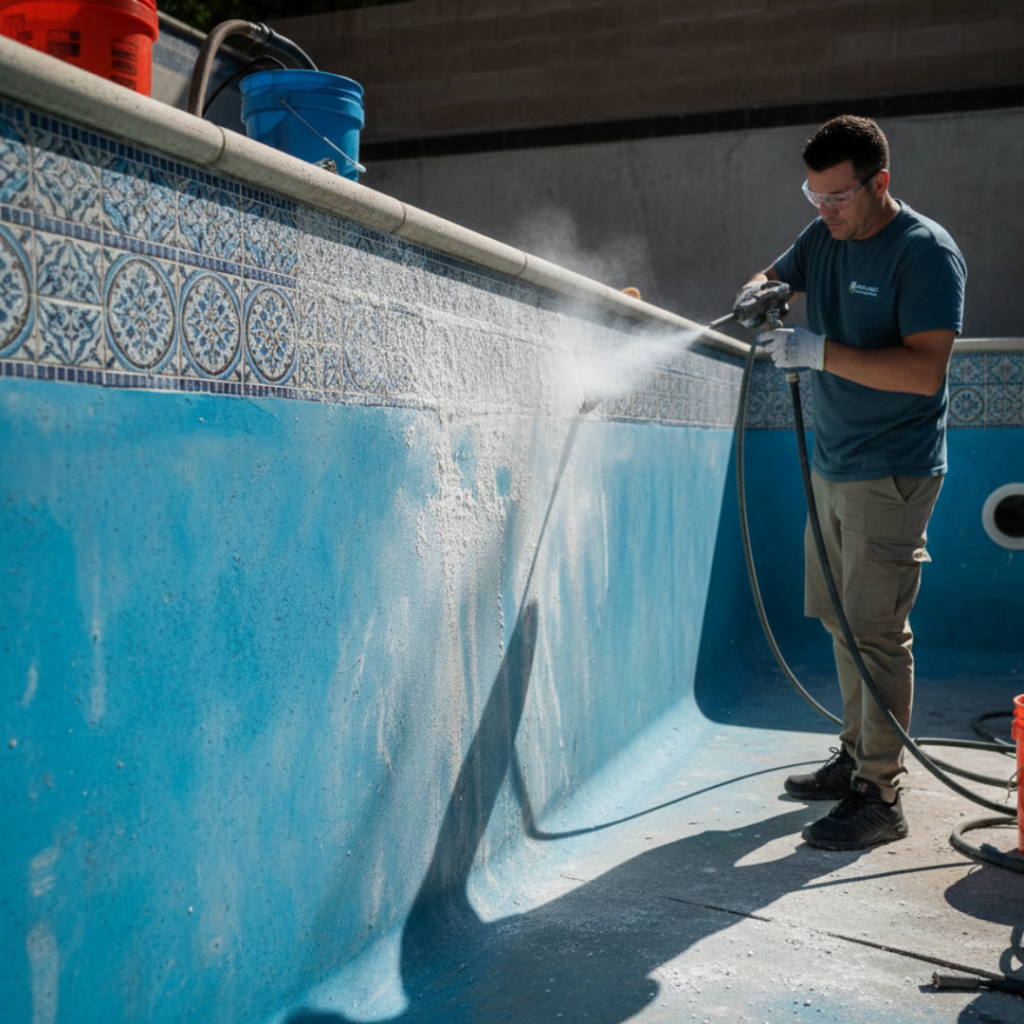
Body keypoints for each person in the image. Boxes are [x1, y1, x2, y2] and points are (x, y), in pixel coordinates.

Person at [737, 115, 967, 851]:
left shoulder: (926, 254)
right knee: (840, 618)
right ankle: (855, 754)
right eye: (814, 196)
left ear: (880, 184)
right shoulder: (821, 236)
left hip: (890, 470)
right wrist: (759, 294)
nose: (825, 211)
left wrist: (820, 351)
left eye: (838, 197)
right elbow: (773, 274)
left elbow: (923, 368)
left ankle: (881, 792)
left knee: (875, 631)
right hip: (831, 463)